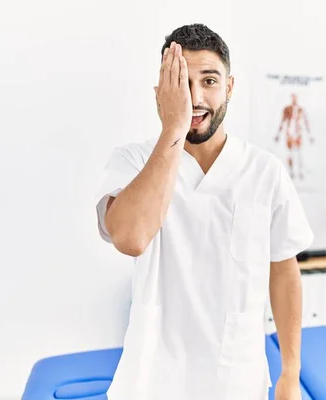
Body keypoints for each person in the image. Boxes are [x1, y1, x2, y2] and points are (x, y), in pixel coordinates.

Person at [94, 23, 313, 400]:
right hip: (150, 381)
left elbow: (283, 271)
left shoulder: (265, 171)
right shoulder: (133, 161)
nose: (195, 97)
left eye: (209, 81)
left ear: (229, 87)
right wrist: (173, 129)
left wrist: (290, 374)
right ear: (162, 93)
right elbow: (129, 238)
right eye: (182, 83)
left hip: (235, 378)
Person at [274, 93, 315, 180]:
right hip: (289, 134)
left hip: (298, 134)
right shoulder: (287, 109)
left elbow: (306, 123)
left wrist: (310, 136)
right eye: (293, 98)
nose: (294, 100)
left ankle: (300, 172)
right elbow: (282, 122)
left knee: (299, 154)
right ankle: (291, 172)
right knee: (290, 153)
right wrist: (278, 134)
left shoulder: (301, 110)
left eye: (295, 98)